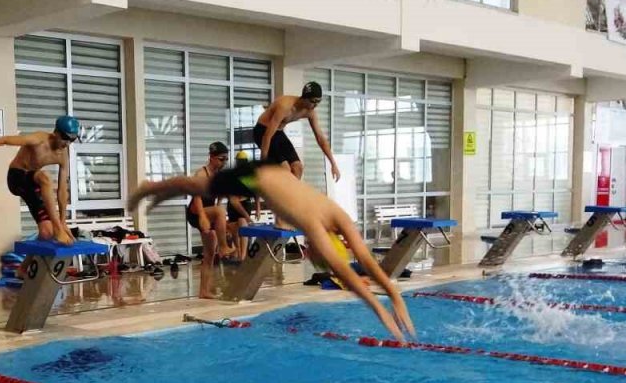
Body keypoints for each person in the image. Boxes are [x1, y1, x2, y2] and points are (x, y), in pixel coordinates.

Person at [128, 163, 415, 341]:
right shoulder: (314, 225)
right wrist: (381, 306)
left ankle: (160, 193)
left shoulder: (334, 213)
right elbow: (346, 271)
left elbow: (363, 258)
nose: (314, 250)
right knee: (197, 186)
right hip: (254, 177)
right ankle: (151, 187)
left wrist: (393, 294)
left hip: (272, 172)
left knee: (196, 187)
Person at [0, 116, 79, 245]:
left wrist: (63, 221)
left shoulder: (63, 155)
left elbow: (62, 191)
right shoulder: (39, 139)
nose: (67, 143)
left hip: (32, 184)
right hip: (16, 178)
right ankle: (58, 228)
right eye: (65, 138)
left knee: (46, 233)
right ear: (56, 133)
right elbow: (4, 140)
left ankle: (25, 265)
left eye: (72, 139)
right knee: (45, 177)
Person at [254, 82, 341, 182]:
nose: (315, 105)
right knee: (285, 169)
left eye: (318, 102)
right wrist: (263, 162)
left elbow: (320, 138)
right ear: (304, 97)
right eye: (313, 101)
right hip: (262, 131)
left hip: (278, 133)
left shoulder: (310, 112)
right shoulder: (285, 106)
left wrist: (333, 164)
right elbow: (267, 135)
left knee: (298, 168)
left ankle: (289, 195)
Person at [187, 142, 234, 298]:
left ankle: (203, 291)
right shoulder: (201, 174)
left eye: (226, 159)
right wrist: (203, 218)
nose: (223, 163)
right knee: (220, 212)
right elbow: (197, 198)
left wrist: (216, 215)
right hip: (196, 213)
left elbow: (220, 196)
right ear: (211, 157)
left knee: (209, 254)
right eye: (221, 159)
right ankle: (224, 247)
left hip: (208, 213)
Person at [224, 151, 256, 261]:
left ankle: (243, 255)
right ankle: (238, 251)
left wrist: (258, 208)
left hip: (245, 204)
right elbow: (232, 199)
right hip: (233, 206)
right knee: (234, 229)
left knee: (242, 223)